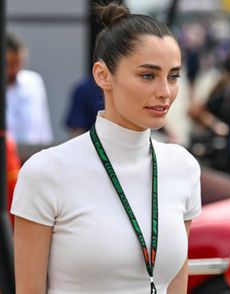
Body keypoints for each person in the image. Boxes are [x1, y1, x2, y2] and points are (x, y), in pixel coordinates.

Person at [11, 2, 201, 294]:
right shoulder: (46, 172)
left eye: (173, 76)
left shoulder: (183, 167)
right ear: (102, 75)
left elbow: (176, 285)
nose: (165, 91)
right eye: (148, 75)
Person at [6, 33, 53, 144]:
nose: (15, 69)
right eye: (10, 64)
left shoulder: (33, 81)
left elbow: (43, 123)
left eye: (19, 62)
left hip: (32, 153)